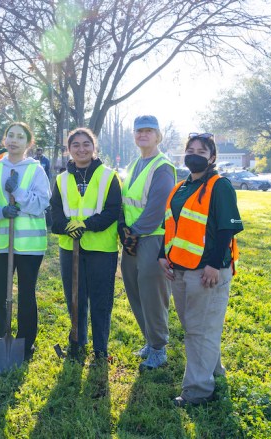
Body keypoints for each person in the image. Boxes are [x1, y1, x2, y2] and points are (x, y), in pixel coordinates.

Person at [158, 132, 243, 407]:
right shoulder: (180, 188)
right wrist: (163, 254)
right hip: (179, 269)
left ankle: (197, 391)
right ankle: (214, 370)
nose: (194, 155)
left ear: (212, 157)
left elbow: (227, 228)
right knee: (198, 328)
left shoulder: (220, 186)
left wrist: (215, 265)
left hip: (207, 271)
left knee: (200, 330)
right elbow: (171, 225)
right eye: (190, 149)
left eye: (201, 151)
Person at [50, 128, 121, 362]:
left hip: (102, 249)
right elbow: (55, 215)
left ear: (94, 147)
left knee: (101, 300)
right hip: (71, 249)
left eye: (86, 144)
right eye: (76, 145)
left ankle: (101, 349)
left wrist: (87, 224)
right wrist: (66, 227)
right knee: (75, 299)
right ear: (69, 150)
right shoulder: (61, 180)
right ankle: (77, 343)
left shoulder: (109, 176)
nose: (81, 149)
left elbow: (112, 211)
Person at [0, 122, 50, 361]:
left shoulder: (36, 170)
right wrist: (2, 211)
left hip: (30, 247)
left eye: (20, 137)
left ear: (28, 143)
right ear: (4, 140)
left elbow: (42, 203)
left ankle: (25, 343)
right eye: (10, 135)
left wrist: (19, 193)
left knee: (26, 295)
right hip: (3, 245)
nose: (14, 140)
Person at [119, 115, 176, 371]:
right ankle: (149, 339)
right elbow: (126, 201)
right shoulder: (134, 165)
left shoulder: (162, 166)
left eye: (148, 131)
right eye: (139, 131)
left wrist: (134, 232)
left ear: (158, 136)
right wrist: (125, 232)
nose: (143, 135)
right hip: (132, 239)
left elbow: (157, 206)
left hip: (151, 238)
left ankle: (159, 347)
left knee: (153, 294)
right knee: (134, 289)